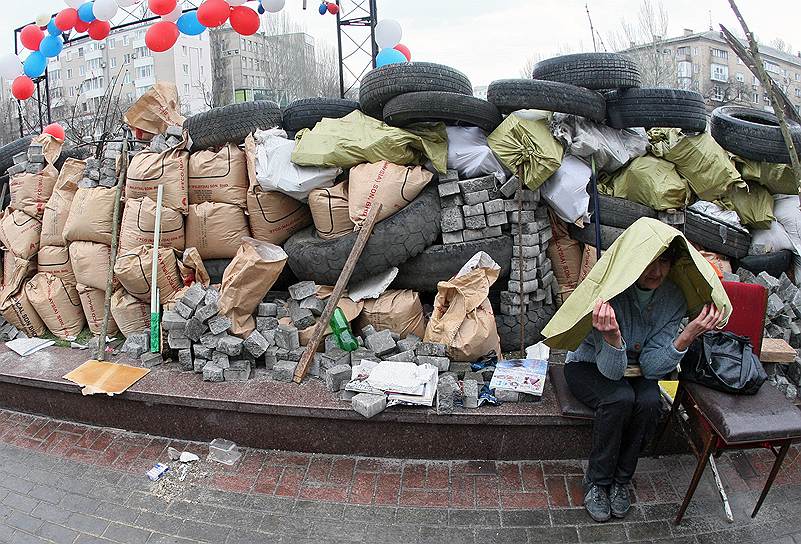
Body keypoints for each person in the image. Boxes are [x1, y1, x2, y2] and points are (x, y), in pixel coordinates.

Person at [564, 240, 723, 522]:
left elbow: (651, 367)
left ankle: (621, 481)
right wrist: (613, 337)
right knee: (619, 398)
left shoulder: (673, 297)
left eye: (664, 262)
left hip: (637, 368)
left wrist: (686, 336)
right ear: (633, 262)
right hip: (590, 365)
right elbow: (611, 372)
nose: (656, 271)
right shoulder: (610, 292)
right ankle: (598, 482)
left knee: (650, 401)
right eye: (649, 261)